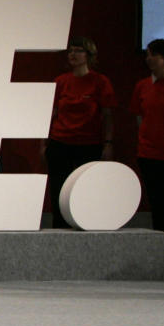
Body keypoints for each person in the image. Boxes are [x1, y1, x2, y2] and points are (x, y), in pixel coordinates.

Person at [42, 37, 115, 229]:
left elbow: (107, 115)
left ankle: (85, 225)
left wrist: (108, 143)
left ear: (89, 55)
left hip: (89, 144)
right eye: (71, 51)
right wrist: (44, 142)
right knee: (58, 189)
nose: (73, 54)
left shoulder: (100, 82)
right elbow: (51, 113)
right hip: (60, 142)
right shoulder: (61, 81)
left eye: (78, 51)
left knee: (85, 188)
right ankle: (59, 229)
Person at [131, 39, 164, 231]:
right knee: (157, 202)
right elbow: (139, 117)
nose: (148, 59)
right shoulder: (142, 86)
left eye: (152, 54)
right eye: (147, 55)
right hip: (149, 155)